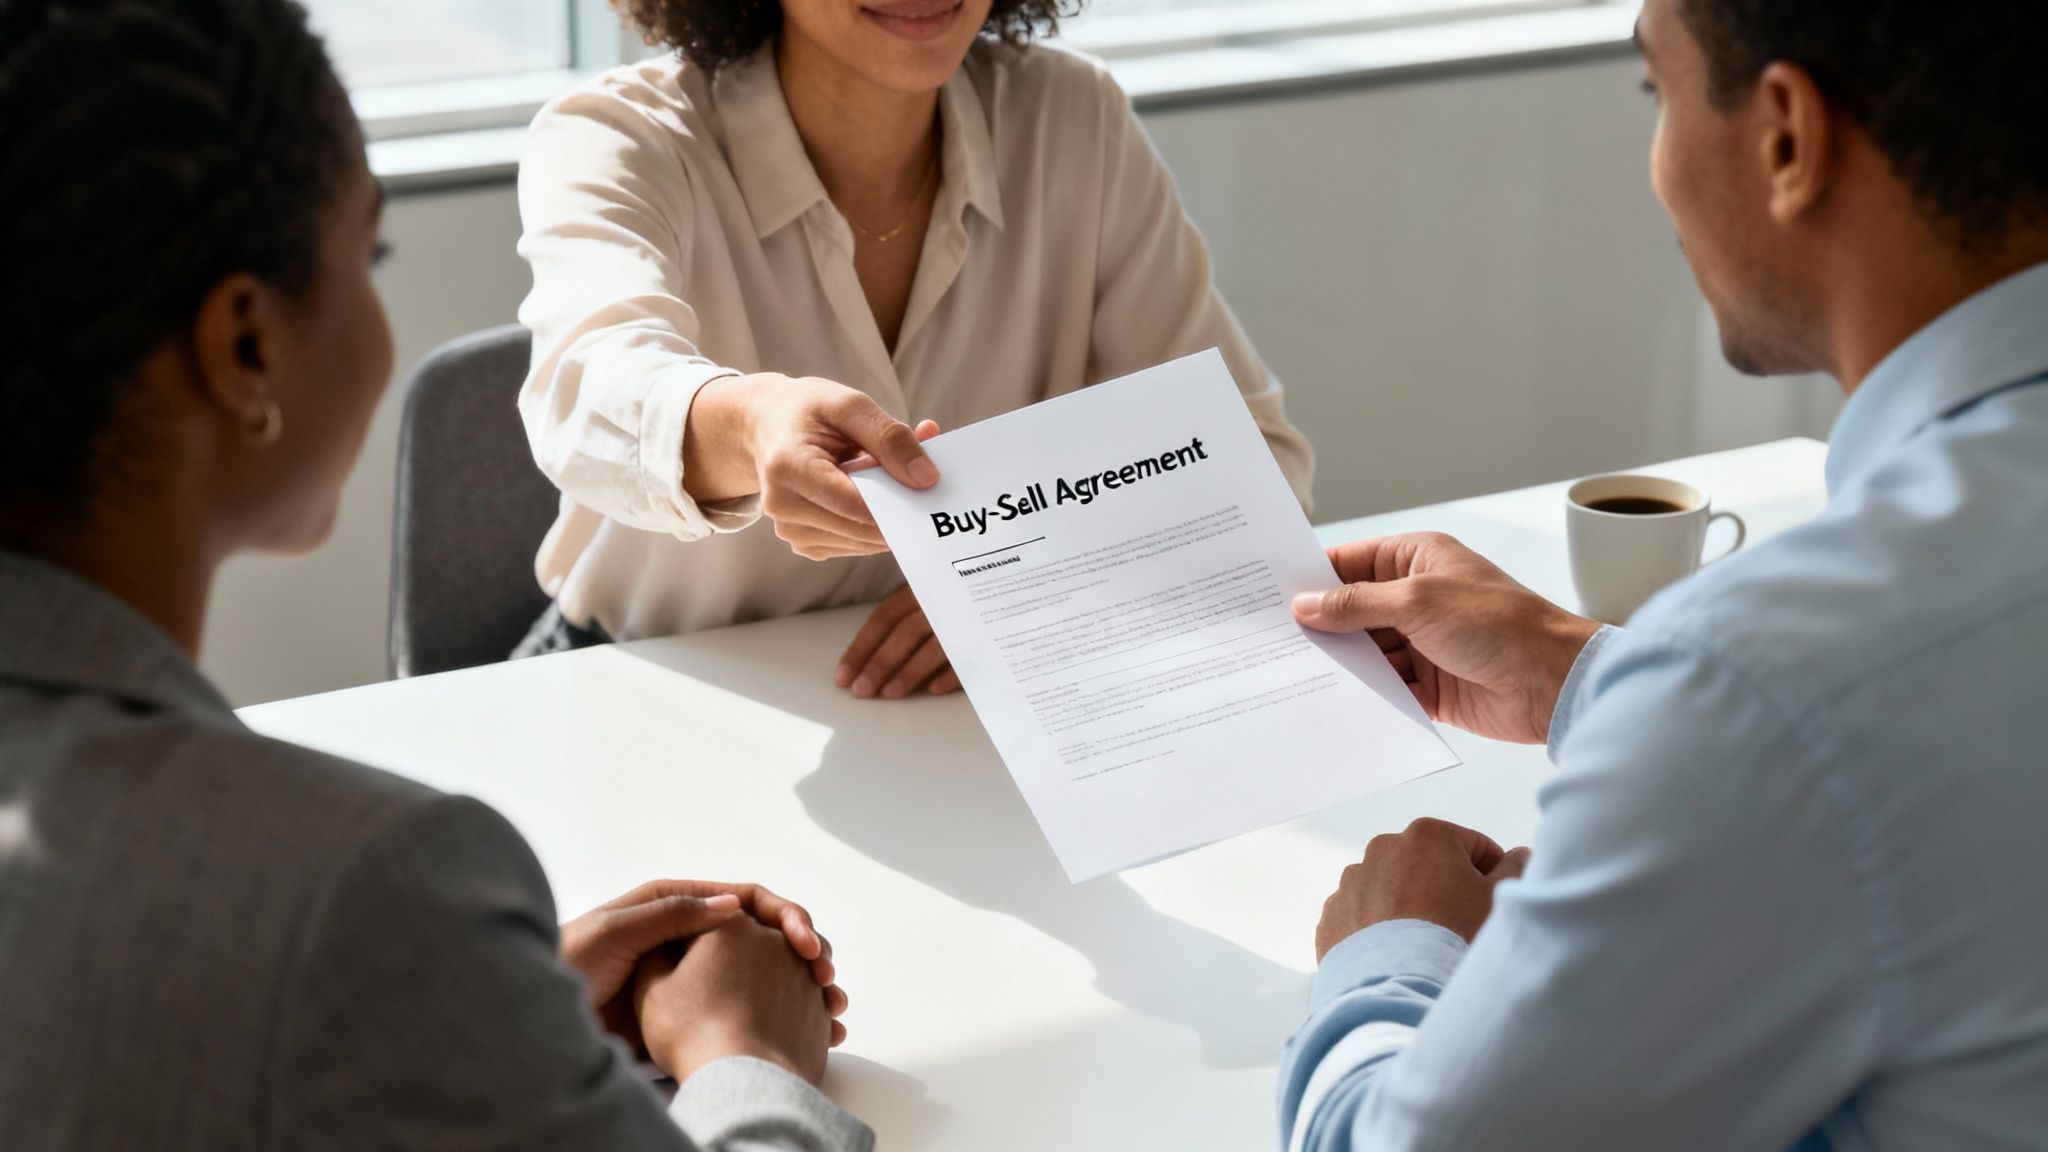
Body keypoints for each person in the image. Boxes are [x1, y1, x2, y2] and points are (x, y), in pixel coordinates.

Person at [0, 2, 865, 1148]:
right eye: (371, 252)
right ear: (245, 344)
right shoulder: (360, 887)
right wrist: (742, 1058)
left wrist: (469, 1015)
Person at [1279, 0, 2048, 1148]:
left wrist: (1387, 953)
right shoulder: (1817, 674)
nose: (1655, 165)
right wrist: (1579, 672)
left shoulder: (1770, 686)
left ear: (1784, 136)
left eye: (1658, 93)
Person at [514, 0, 1315, 698]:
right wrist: (754, 423)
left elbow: (1257, 462)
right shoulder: (618, 137)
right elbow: (585, 395)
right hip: (650, 689)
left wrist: (1034, 584)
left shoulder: (1074, 118)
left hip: (964, 711)